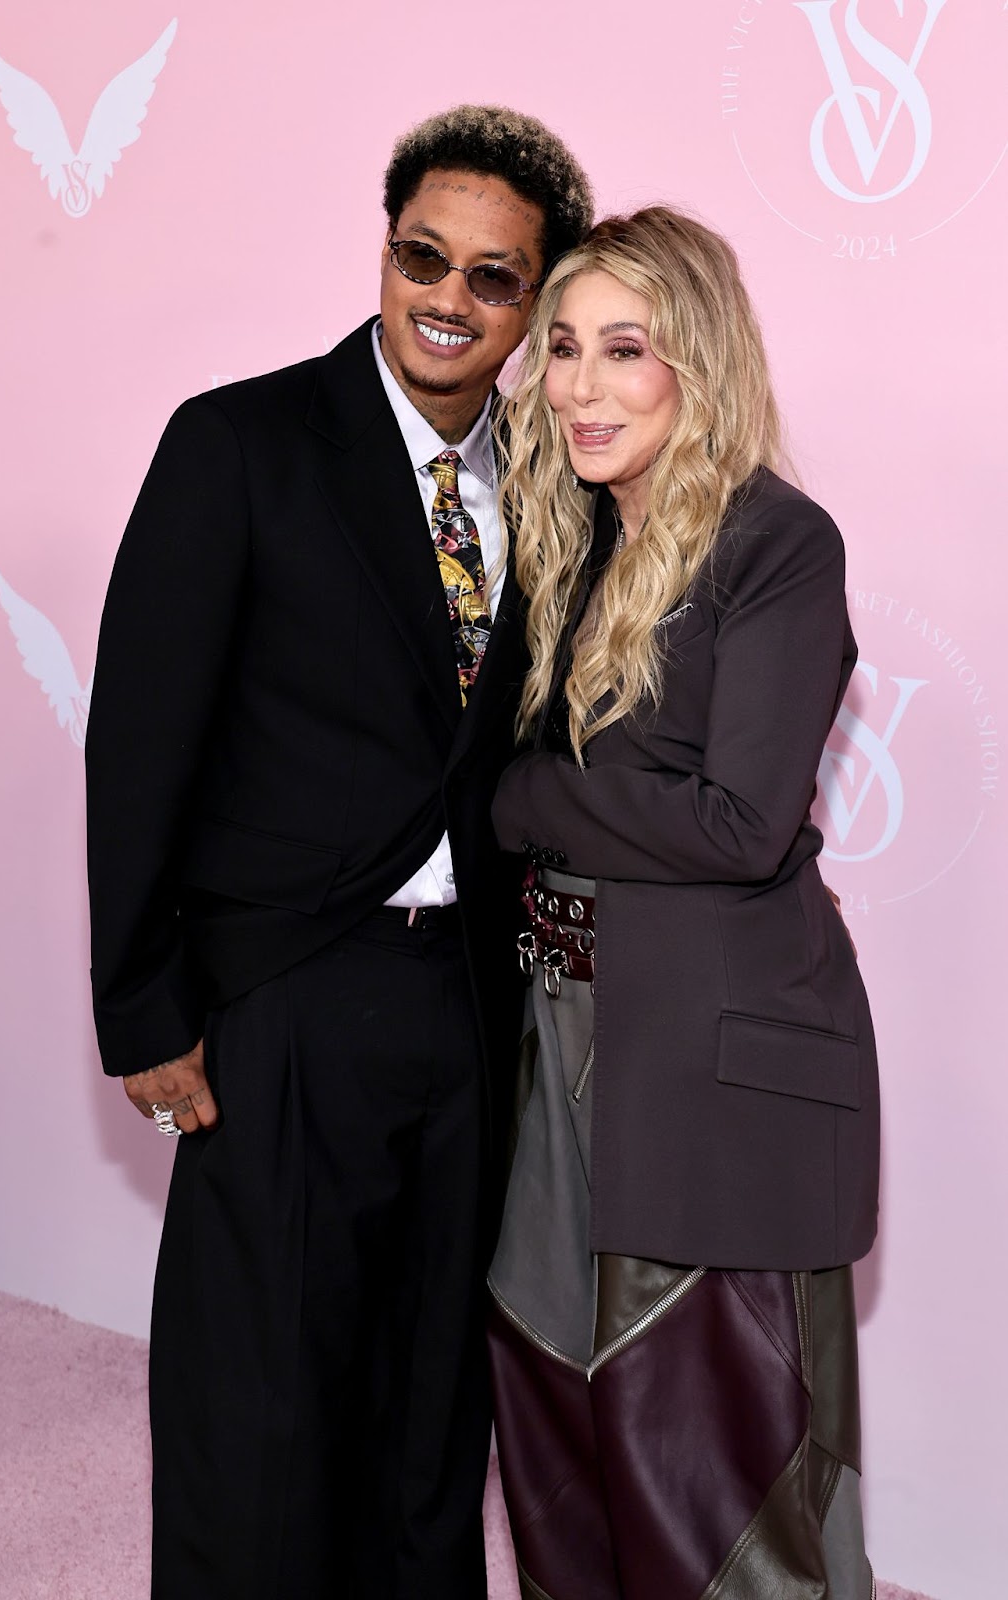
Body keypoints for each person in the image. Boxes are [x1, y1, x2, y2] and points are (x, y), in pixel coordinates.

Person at [85, 106, 593, 1599]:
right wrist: (145, 1006)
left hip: (467, 1008)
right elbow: (140, 741)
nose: (448, 296)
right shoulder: (239, 443)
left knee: (431, 1398)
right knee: (261, 1402)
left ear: (536, 300)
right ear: (383, 252)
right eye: (420, 255)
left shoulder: (555, 492)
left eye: (494, 277)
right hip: (284, 996)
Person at [488, 208, 880, 1599]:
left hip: (713, 1063)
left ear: (695, 365)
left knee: (713, 1477)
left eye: (626, 350)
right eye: (564, 350)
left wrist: (513, 801)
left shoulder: (777, 544)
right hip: (556, 1039)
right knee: (552, 1434)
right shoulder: (572, 540)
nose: (582, 387)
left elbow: (737, 822)